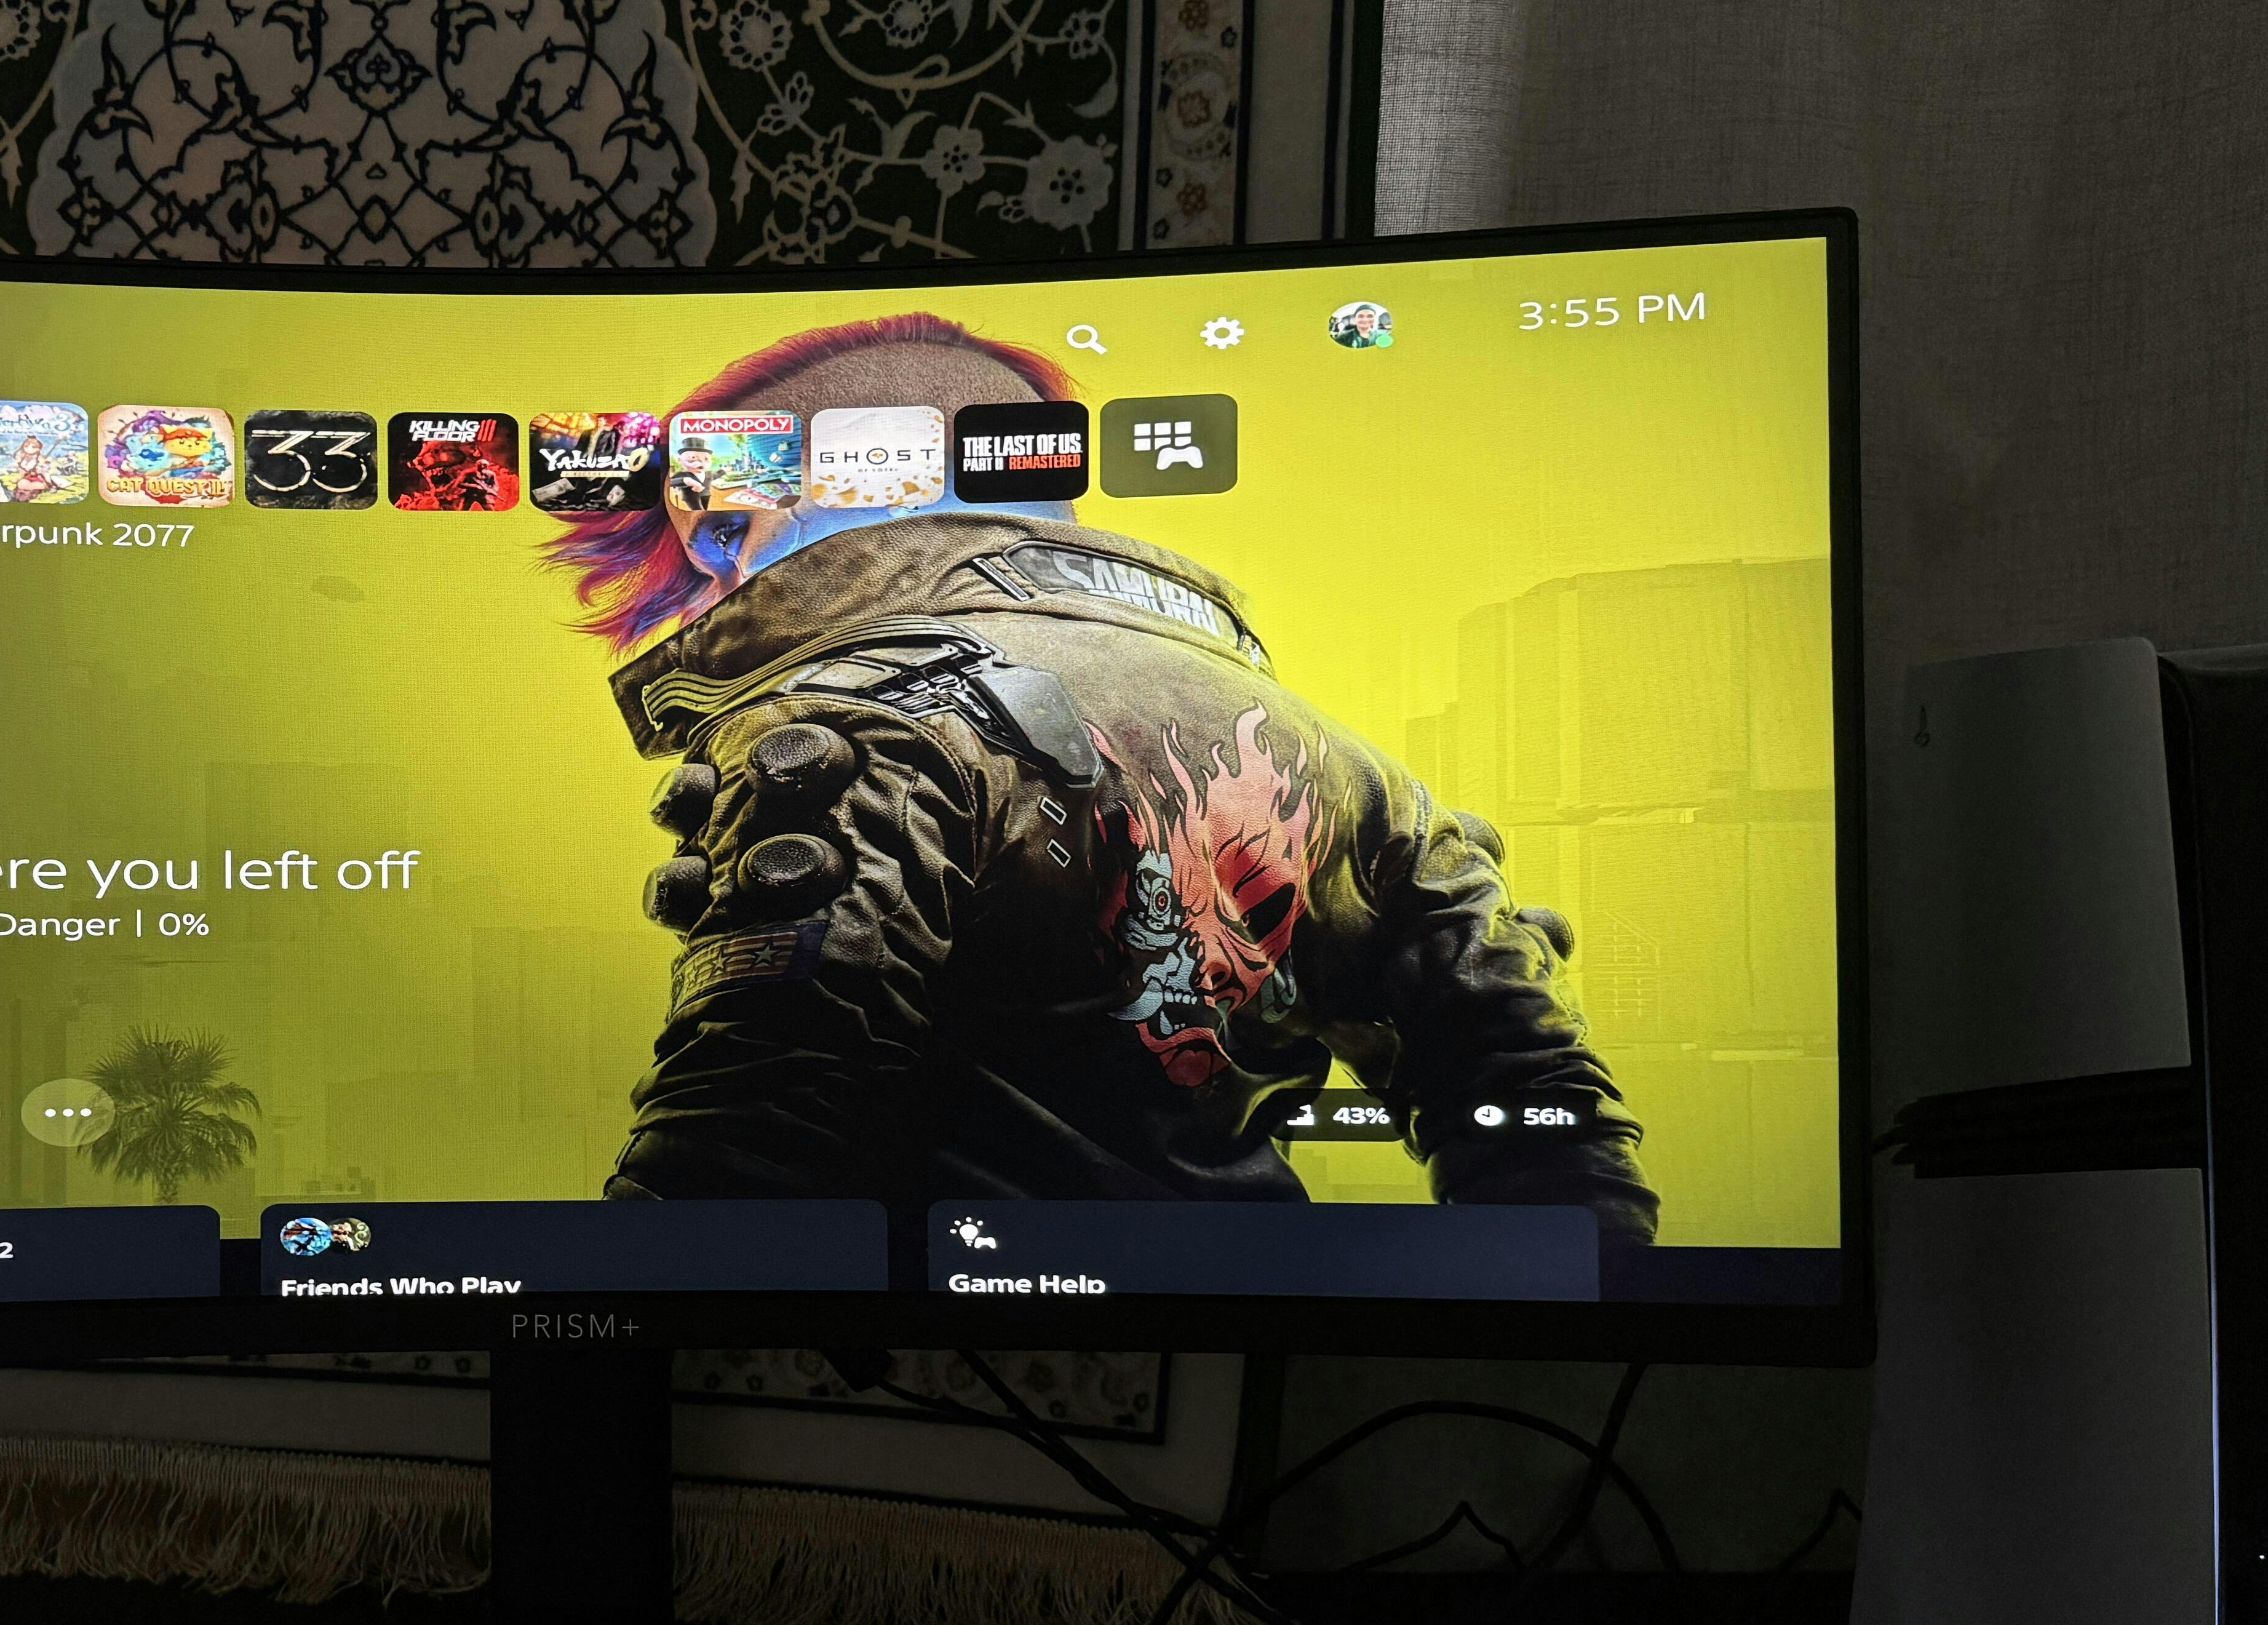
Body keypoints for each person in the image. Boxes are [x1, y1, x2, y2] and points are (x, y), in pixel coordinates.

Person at [541, 313, 1654, 1236]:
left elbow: (737, 1153)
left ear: (741, 516)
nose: (711, 581)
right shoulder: (1346, 758)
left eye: (711, 540)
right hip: (1244, 1338)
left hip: (925, 1360)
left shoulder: (854, 714)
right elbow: (1552, 1136)